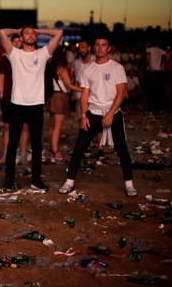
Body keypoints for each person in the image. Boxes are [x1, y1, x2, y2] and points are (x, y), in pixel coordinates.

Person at [59, 35, 137, 197]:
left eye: (104, 45)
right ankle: (69, 182)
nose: (100, 47)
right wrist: (83, 116)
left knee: (122, 149)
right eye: (97, 45)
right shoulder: (87, 69)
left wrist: (110, 114)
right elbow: (85, 94)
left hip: (113, 112)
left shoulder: (117, 67)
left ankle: (129, 184)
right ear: (93, 48)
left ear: (108, 48)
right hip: (93, 113)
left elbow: (121, 93)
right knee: (79, 148)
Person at [0, 25, 63, 191]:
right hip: (17, 104)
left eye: (33, 33)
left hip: (36, 105)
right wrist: (18, 31)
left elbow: (59, 33)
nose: (30, 35)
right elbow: (2, 33)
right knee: (13, 144)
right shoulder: (14, 54)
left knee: (36, 144)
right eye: (27, 33)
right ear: (21, 36)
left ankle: (36, 180)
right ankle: (9, 180)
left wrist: (39, 31)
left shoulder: (42, 54)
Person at [0, 34, 30, 165]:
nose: (16, 43)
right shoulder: (5, 59)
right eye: (14, 41)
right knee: (7, 127)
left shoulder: (26, 58)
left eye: (19, 41)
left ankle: (23, 153)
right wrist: (1, 93)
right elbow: (1, 77)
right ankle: (6, 153)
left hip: (24, 97)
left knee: (24, 127)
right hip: (9, 97)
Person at [46, 48, 82, 161]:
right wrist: (83, 90)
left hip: (52, 96)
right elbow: (69, 85)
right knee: (57, 126)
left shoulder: (52, 66)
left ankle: (51, 148)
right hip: (60, 97)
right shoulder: (61, 68)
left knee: (52, 125)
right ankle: (55, 150)